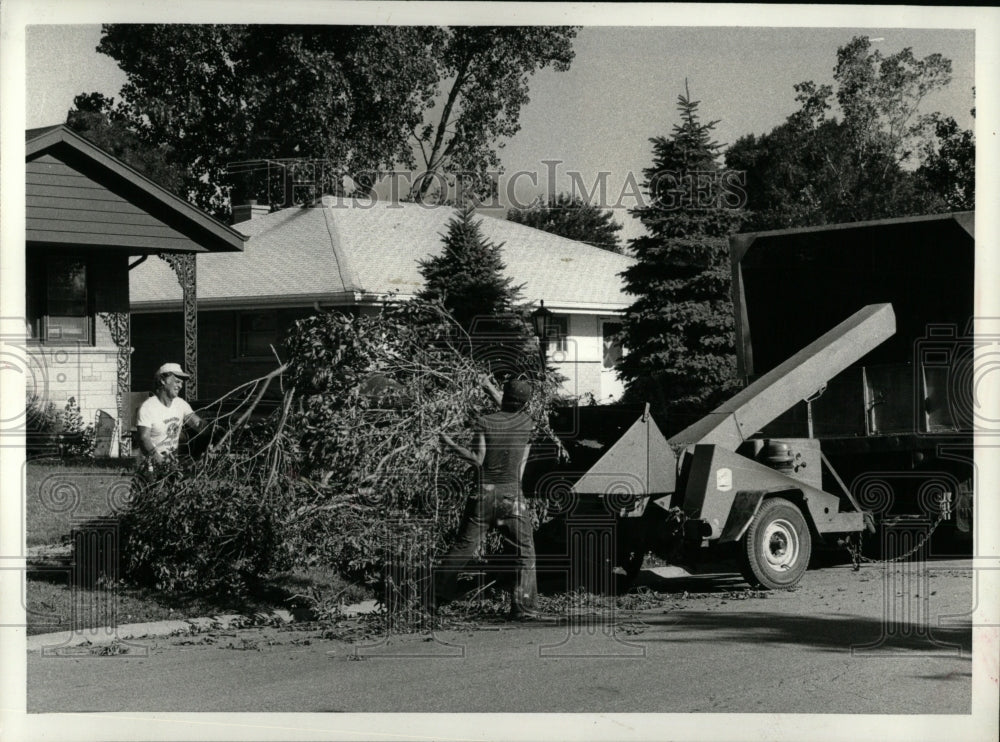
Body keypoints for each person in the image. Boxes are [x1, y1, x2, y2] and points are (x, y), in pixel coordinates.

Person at [435, 378, 542, 620]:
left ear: (504, 396)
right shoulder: (527, 422)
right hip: (513, 496)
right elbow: (511, 412)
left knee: (464, 547)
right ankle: (524, 608)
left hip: (484, 494)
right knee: (525, 552)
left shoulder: (484, 422)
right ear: (525, 403)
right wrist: (488, 387)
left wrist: (448, 442)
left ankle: (435, 597)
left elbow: (476, 459)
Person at [136, 362, 204, 467]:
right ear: (163, 381)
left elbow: (197, 423)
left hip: (172, 462)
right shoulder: (148, 407)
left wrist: (211, 427)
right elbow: (143, 438)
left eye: (181, 383)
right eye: (177, 382)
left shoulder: (180, 404)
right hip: (150, 464)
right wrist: (159, 460)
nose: (180, 386)